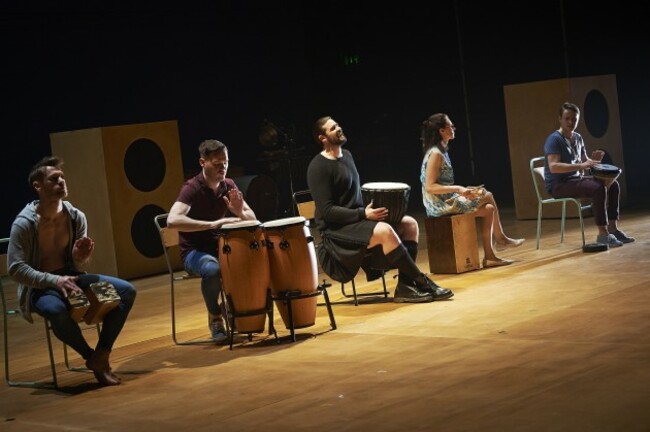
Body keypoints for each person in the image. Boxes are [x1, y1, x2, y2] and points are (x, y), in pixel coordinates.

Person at [7, 156, 137, 386]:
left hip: (71, 277)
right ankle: (91, 358)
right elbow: (15, 269)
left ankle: (102, 354)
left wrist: (81, 256)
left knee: (126, 291)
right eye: (53, 179)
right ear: (38, 186)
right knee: (56, 310)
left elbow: (77, 266)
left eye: (62, 177)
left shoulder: (76, 217)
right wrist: (54, 280)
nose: (61, 182)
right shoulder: (24, 223)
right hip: (41, 286)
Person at [307, 116, 453, 303]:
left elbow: (353, 197)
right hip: (336, 232)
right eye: (333, 128)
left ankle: (405, 287)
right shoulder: (317, 167)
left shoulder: (348, 156)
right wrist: (362, 214)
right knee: (384, 231)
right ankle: (424, 283)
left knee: (409, 224)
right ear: (322, 138)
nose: (339, 128)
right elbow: (327, 212)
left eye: (338, 125)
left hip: (357, 221)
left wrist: (368, 211)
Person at [167, 139, 257, 342]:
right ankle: (216, 317)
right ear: (202, 163)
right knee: (213, 270)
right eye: (217, 163)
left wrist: (238, 212)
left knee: (252, 260)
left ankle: (239, 309)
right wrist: (212, 224)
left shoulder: (229, 186)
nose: (222, 167)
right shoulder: (192, 188)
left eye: (225, 162)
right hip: (194, 252)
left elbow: (253, 218)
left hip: (222, 248)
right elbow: (172, 220)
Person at [420, 113, 524, 268]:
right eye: (450, 125)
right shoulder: (435, 153)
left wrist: (462, 191)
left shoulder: (442, 151)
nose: (453, 128)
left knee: (488, 209)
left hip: (447, 199)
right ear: (442, 130)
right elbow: (430, 186)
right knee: (487, 195)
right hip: (438, 205)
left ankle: (490, 257)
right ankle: (501, 238)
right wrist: (458, 189)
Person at [543, 102, 634, 247]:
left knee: (613, 184)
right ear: (560, 119)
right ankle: (602, 234)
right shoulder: (554, 139)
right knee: (598, 187)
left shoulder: (577, 137)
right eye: (567, 118)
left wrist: (594, 161)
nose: (571, 122)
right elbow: (554, 167)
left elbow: (585, 161)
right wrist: (582, 165)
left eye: (574, 119)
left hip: (575, 179)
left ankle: (613, 228)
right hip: (559, 185)